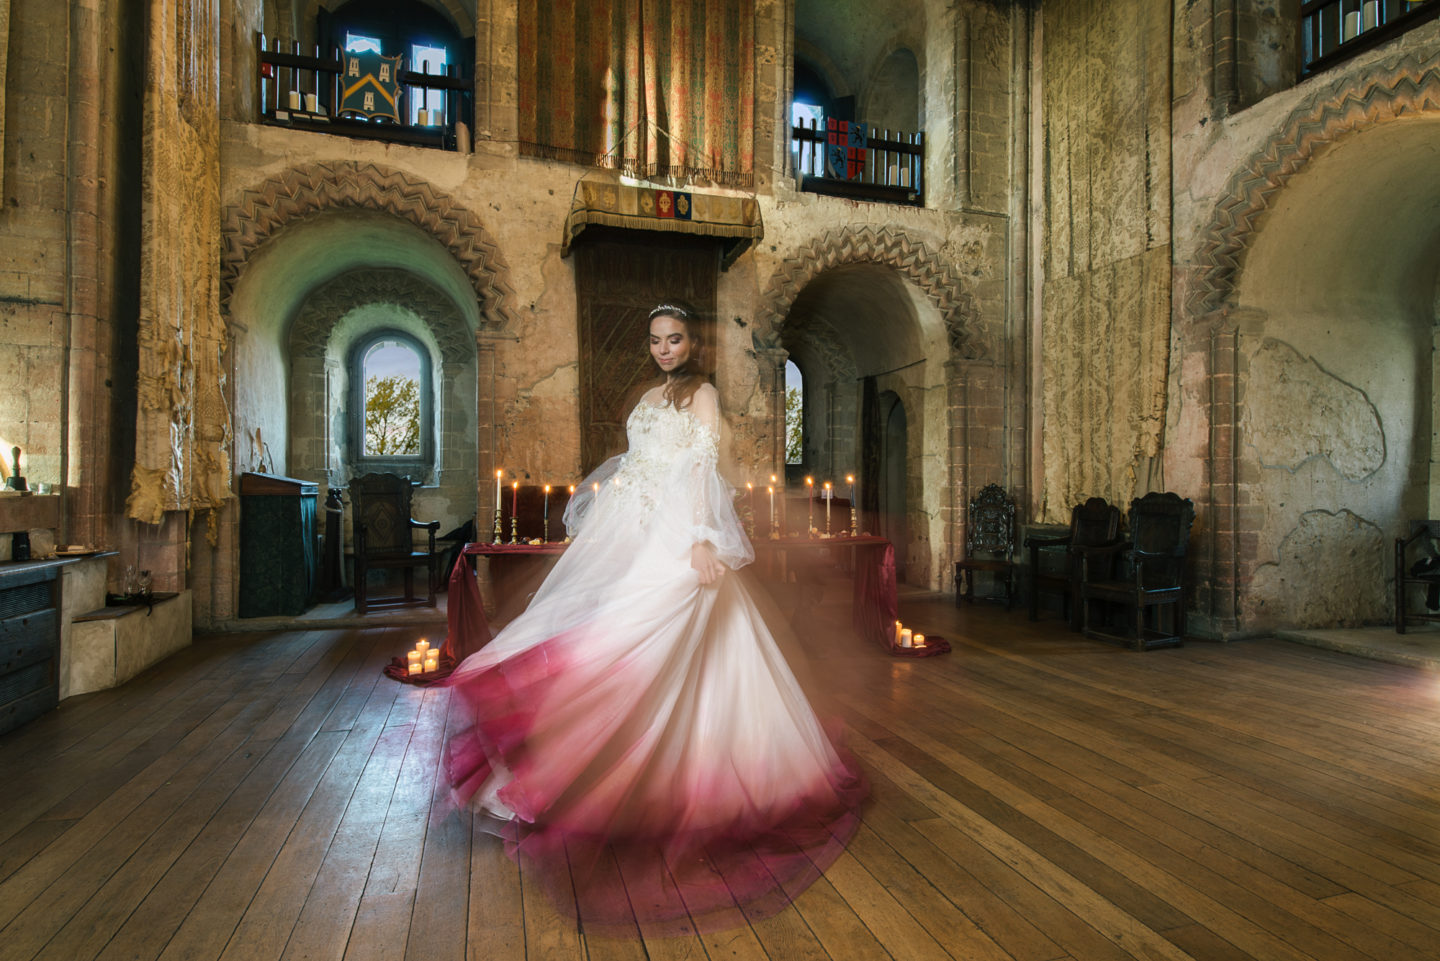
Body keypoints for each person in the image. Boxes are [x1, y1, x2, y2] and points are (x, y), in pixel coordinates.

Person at [444, 304, 866, 932]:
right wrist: (611, 529)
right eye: (656, 341)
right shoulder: (648, 396)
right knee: (605, 634)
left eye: (675, 339)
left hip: (679, 535)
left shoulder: (703, 395)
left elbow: (699, 470)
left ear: (692, 343)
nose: (665, 349)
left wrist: (700, 538)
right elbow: (635, 470)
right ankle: (561, 770)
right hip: (635, 530)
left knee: (648, 643)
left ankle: (628, 781)